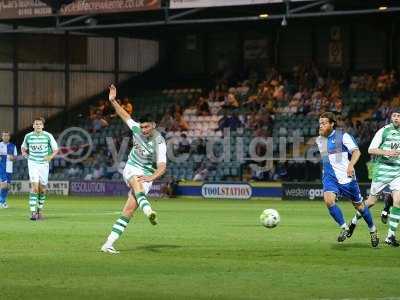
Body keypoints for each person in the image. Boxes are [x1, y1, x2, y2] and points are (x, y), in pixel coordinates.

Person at [101, 85, 167, 254]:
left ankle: (108, 243)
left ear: (153, 125)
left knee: (128, 211)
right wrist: (112, 101)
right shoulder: (136, 129)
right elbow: (124, 115)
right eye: (142, 127)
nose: (143, 130)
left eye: (147, 127)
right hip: (131, 168)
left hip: (146, 175)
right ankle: (148, 210)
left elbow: (162, 167)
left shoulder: (159, 142)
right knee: (136, 181)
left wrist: (152, 177)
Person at [315, 112, 379, 247]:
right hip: (330, 178)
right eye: (320, 123)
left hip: (346, 177)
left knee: (360, 207)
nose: (321, 126)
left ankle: (373, 230)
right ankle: (344, 227)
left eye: (324, 123)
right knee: (328, 201)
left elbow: (357, 152)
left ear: (332, 124)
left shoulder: (342, 136)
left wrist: (350, 165)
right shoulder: (319, 140)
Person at [347, 109, 400, 246]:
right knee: (370, 202)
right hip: (382, 171)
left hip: (397, 172)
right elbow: (371, 149)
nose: (396, 118)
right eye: (394, 115)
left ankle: (391, 236)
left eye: (399, 116)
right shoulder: (384, 131)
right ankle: (353, 221)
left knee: (398, 201)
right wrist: (387, 152)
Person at [21, 118, 59, 220]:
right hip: (33, 163)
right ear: (33, 126)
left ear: (42, 126)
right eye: (36, 124)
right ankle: (33, 212)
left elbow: (56, 149)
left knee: (42, 190)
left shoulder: (48, 136)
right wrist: (25, 154)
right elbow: (23, 148)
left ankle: (39, 210)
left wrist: (50, 157)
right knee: (34, 187)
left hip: (44, 165)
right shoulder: (28, 136)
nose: (38, 126)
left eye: (40, 124)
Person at [0, 131, 17, 208]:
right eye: (4, 136)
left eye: (7, 136)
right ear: (2, 137)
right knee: (4, 185)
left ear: (9, 137)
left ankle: (3, 201)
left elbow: (15, 158)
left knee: (8, 186)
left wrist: (12, 158)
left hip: (9, 168)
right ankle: (2, 201)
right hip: (1, 167)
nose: (6, 137)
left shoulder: (13, 146)